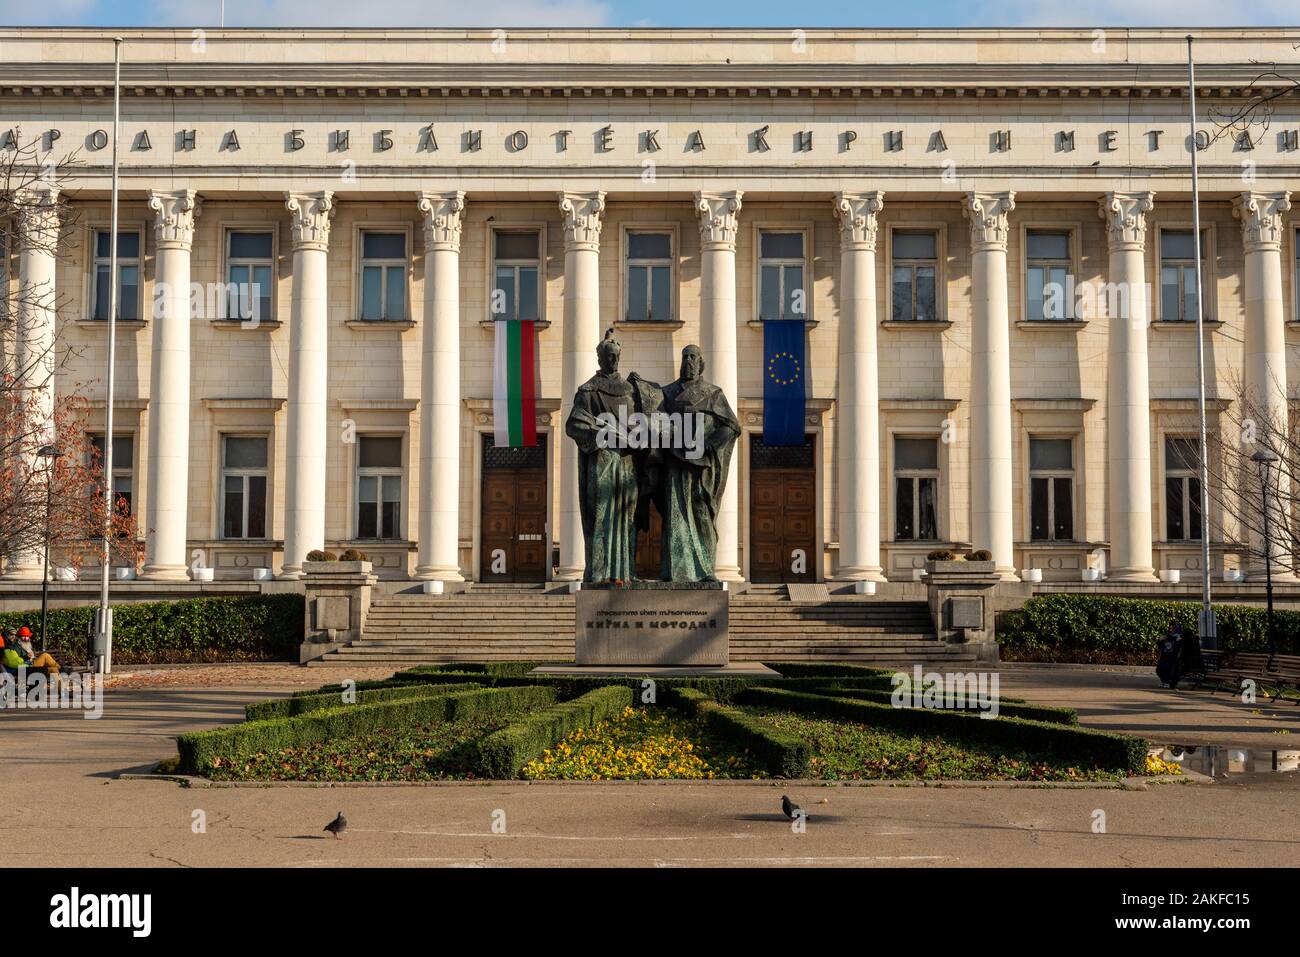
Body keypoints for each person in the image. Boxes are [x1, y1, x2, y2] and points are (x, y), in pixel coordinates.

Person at [1156, 621, 1183, 688]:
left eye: (1173, 628)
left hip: (1173, 657)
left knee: (1167, 667)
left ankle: (1167, 681)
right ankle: (1163, 681)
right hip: (1165, 656)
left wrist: (1177, 642)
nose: (1171, 629)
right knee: (1159, 668)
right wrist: (1159, 640)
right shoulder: (1166, 636)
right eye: (1170, 628)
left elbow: (1180, 648)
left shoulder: (1179, 637)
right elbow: (1160, 646)